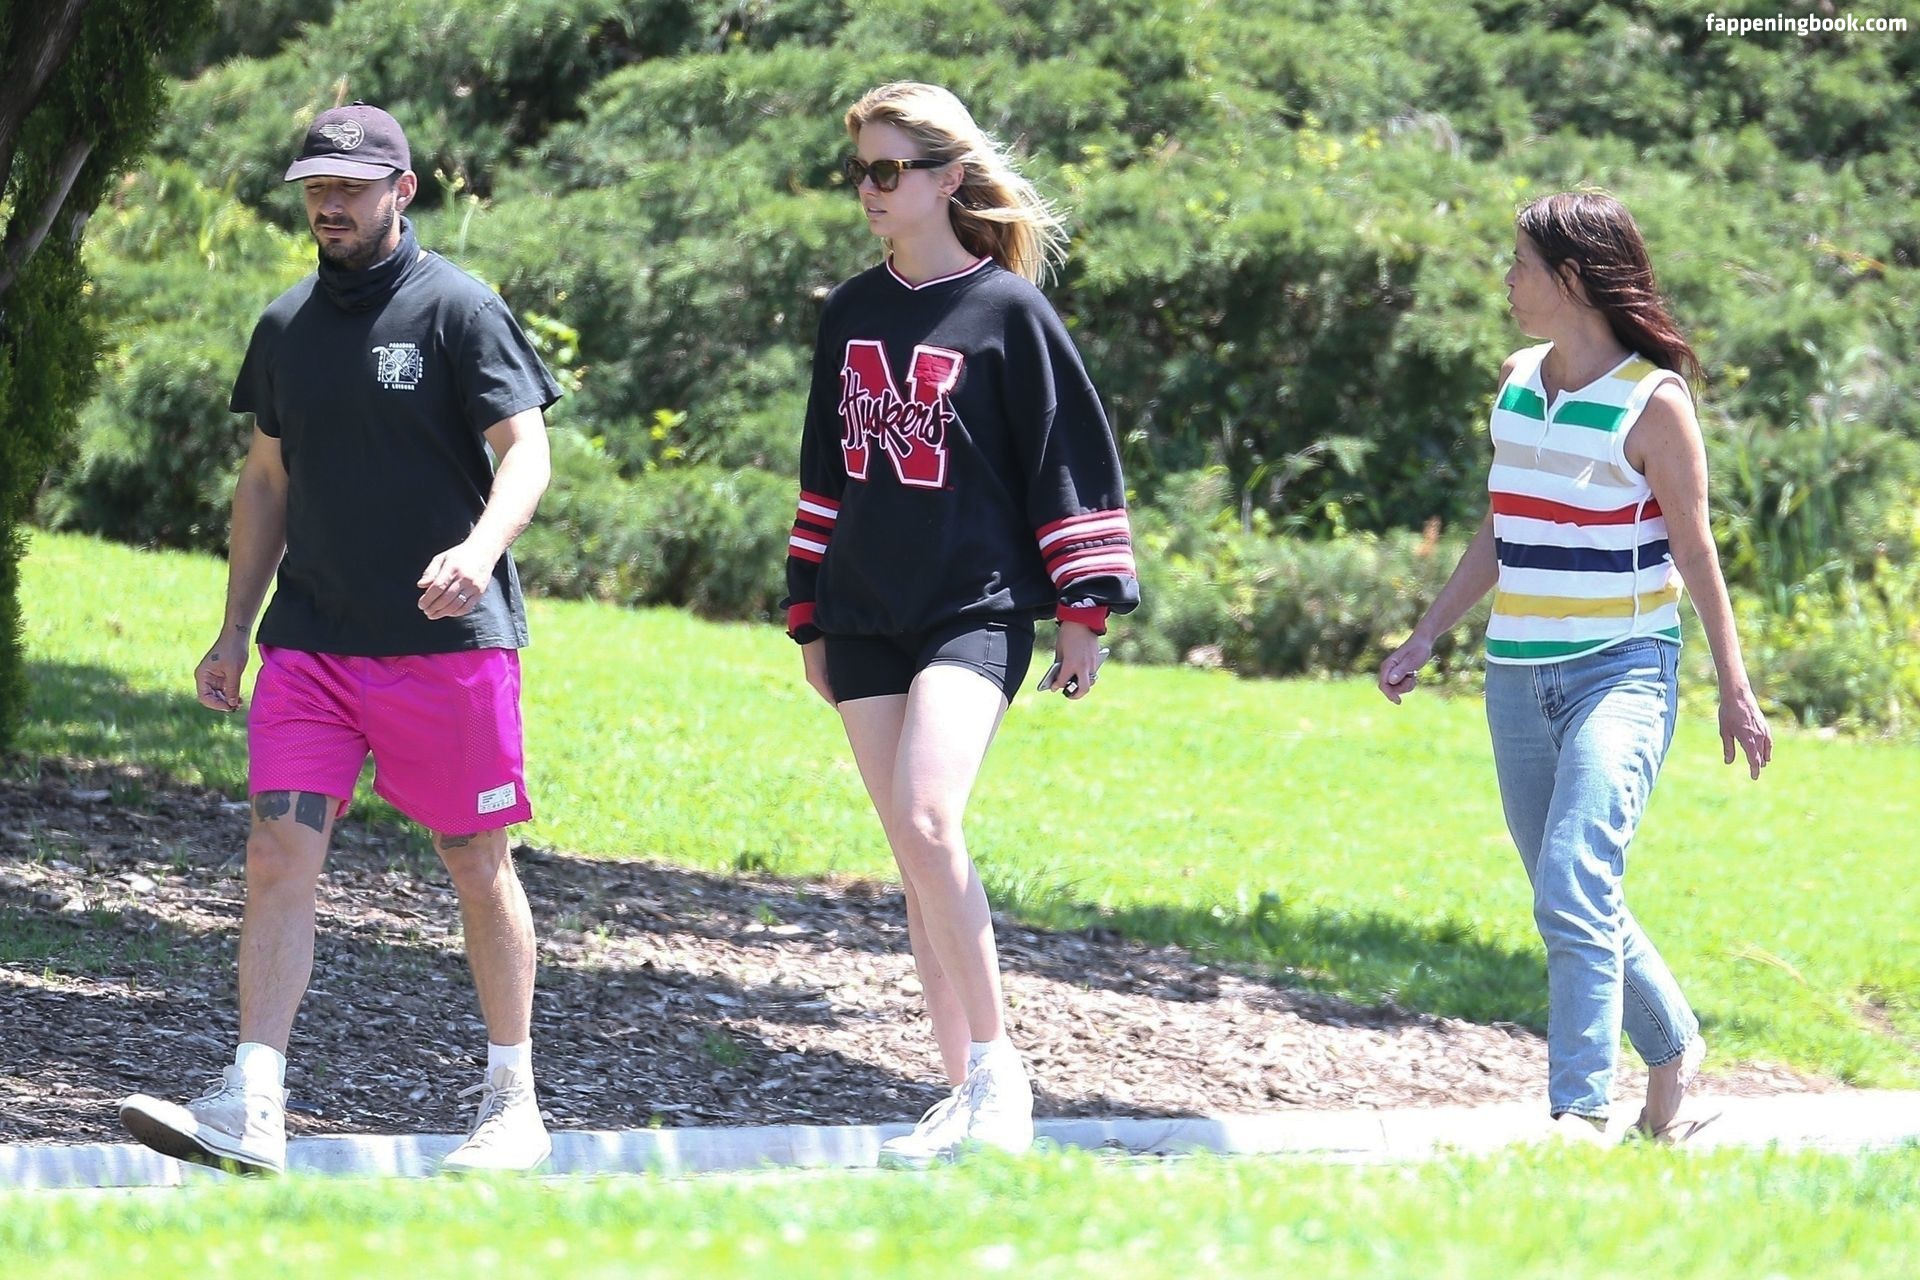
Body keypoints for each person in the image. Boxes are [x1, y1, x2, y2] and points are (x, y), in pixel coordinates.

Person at [117, 102, 562, 1176]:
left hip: (447, 645)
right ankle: (253, 1100)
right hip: (311, 645)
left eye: (351, 188)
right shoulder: (286, 326)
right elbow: (265, 481)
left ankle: (513, 1102)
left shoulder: (459, 308)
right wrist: (233, 629)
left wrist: (479, 549)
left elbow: (527, 451)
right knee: (278, 852)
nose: (329, 204)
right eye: (317, 186)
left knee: (475, 860)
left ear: (401, 190)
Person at [783, 82, 1139, 1168]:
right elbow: (824, 470)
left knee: (930, 820)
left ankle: (999, 1073)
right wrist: (808, 615)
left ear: (946, 179)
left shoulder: (1011, 312)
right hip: (862, 613)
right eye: (860, 170)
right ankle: (959, 1098)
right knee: (913, 854)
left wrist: (1084, 609)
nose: (869, 189)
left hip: (975, 606)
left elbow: (1068, 459)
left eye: (889, 170)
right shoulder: (850, 310)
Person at [1377, 191, 1772, 1144]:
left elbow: (1696, 551)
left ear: (1570, 277)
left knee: (1572, 881)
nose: (1506, 280)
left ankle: (1580, 1113)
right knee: (1571, 892)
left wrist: (1734, 686)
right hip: (1516, 677)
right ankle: (1673, 1048)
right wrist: (1428, 633)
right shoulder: (1516, 381)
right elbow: (1503, 528)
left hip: (1623, 671)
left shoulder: (1653, 403)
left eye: (1519, 264)